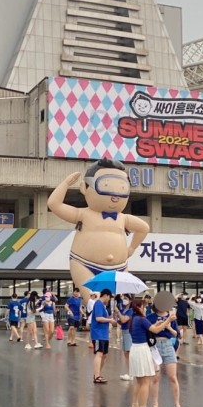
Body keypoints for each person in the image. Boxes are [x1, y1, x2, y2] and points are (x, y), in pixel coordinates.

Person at [46, 160, 149, 306]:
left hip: (120, 267)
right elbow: (54, 204)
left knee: (121, 303)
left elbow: (144, 228)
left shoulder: (123, 218)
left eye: (122, 188)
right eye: (105, 186)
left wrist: (132, 248)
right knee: (93, 302)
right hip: (84, 264)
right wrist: (66, 184)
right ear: (84, 187)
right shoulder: (83, 214)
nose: (115, 196)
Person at [129, 301, 176, 407]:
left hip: (134, 349)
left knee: (138, 380)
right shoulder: (141, 319)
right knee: (145, 381)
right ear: (139, 307)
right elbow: (155, 330)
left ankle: (134, 404)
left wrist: (156, 324)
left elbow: (149, 329)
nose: (145, 309)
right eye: (144, 307)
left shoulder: (134, 319)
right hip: (142, 350)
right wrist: (168, 320)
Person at [147, 291, 185, 407]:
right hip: (155, 346)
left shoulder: (172, 317)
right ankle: (155, 405)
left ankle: (177, 405)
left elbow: (177, 334)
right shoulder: (150, 317)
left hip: (168, 345)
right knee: (155, 378)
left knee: (173, 377)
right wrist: (156, 325)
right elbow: (148, 331)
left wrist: (168, 327)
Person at [90, 289, 115, 384]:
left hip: (104, 334)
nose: (109, 300)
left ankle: (97, 373)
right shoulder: (98, 304)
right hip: (98, 333)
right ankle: (97, 376)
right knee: (99, 353)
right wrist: (109, 320)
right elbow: (98, 318)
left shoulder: (103, 306)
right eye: (109, 298)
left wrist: (109, 319)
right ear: (106, 295)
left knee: (104, 355)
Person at [117, 294, 133, 381]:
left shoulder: (130, 310)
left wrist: (118, 312)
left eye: (126, 298)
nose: (124, 300)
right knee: (126, 353)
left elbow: (124, 320)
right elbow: (120, 320)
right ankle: (129, 372)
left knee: (129, 353)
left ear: (130, 301)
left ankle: (131, 373)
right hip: (123, 331)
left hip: (128, 332)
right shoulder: (123, 309)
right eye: (124, 298)